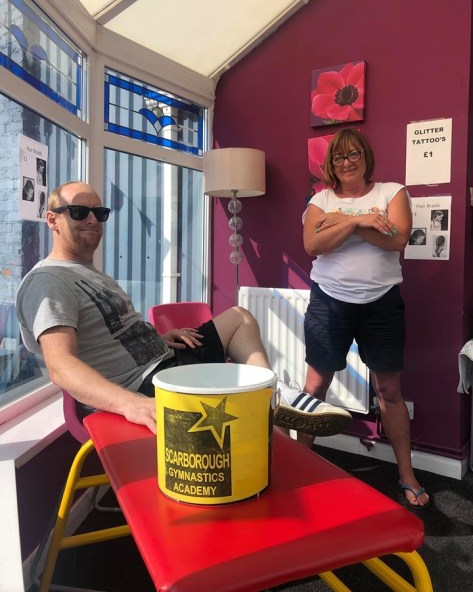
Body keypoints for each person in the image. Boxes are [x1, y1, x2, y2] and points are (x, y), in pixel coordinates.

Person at [16, 181, 352, 438]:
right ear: (52, 220)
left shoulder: (87, 273)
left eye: (99, 213)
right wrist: (131, 404)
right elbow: (61, 366)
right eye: (79, 212)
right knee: (243, 399)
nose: (92, 219)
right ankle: (270, 408)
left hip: (164, 361)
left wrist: (158, 337)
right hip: (144, 386)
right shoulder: (48, 281)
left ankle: (271, 395)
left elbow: (110, 332)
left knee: (239, 317)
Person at [301, 128, 430, 510]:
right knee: (315, 387)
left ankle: (406, 474)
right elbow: (313, 244)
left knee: (389, 390)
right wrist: (362, 221)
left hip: (381, 303)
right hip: (329, 301)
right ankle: (298, 466)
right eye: (339, 157)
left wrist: (338, 224)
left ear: (365, 156)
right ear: (331, 164)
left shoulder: (392, 192)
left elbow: (397, 239)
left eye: (354, 153)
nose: (347, 162)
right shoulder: (320, 200)